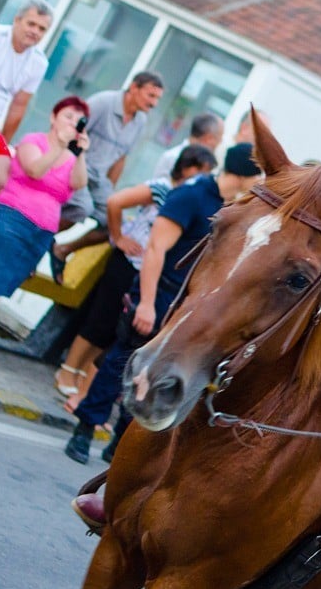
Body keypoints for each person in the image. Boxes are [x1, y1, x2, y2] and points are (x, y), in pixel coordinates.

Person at [63, 143, 262, 464]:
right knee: (123, 359)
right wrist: (147, 303)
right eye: (258, 175)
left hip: (186, 302)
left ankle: (121, 440)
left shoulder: (231, 206)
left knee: (161, 370)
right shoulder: (192, 195)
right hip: (159, 291)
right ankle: (85, 428)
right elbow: (155, 248)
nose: (260, 182)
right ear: (242, 174)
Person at [54, 145, 218, 405]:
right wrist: (118, 237)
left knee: (114, 333)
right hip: (128, 262)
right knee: (101, 320)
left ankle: (84, 379)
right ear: (188, 168)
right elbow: (114, 201)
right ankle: (67, 372)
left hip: (148, 272)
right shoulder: (163, 187)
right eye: (204, 172)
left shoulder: (193, 199)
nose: (206, 179)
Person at [0, 97, 88, 341]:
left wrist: (80, 154)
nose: (72, 123)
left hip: (41, 230)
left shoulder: (70, 157)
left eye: (78, 120)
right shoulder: (33, 141)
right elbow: (35, 170)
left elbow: (78, 183)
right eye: (68, 116)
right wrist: (58, 145)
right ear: (53, 118)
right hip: (11, 218)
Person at [50, 71, 165, 283]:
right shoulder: (103, 102)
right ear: (133, 88)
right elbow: (69, 133)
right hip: (75, 166)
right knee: (82, 208)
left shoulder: (140, 121)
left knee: (114, 225)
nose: (154, 103)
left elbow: (121, 159)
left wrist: (109, 194)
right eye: (151, 96)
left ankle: (61, 250)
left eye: (157, 98)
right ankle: (35, 242)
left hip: (99, 179)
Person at [0, 0, 52, 203]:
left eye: (42, 29)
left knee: (1, 184)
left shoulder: (39, 62)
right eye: (31, 24)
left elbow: (19, 106)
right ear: (17, 20)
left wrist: (3, 142)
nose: (35, 31)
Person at [149, 112, 223, 182]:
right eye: (219, 138)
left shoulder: (203, 164)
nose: (219, 144)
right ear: (208, 138)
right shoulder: (173, 157)